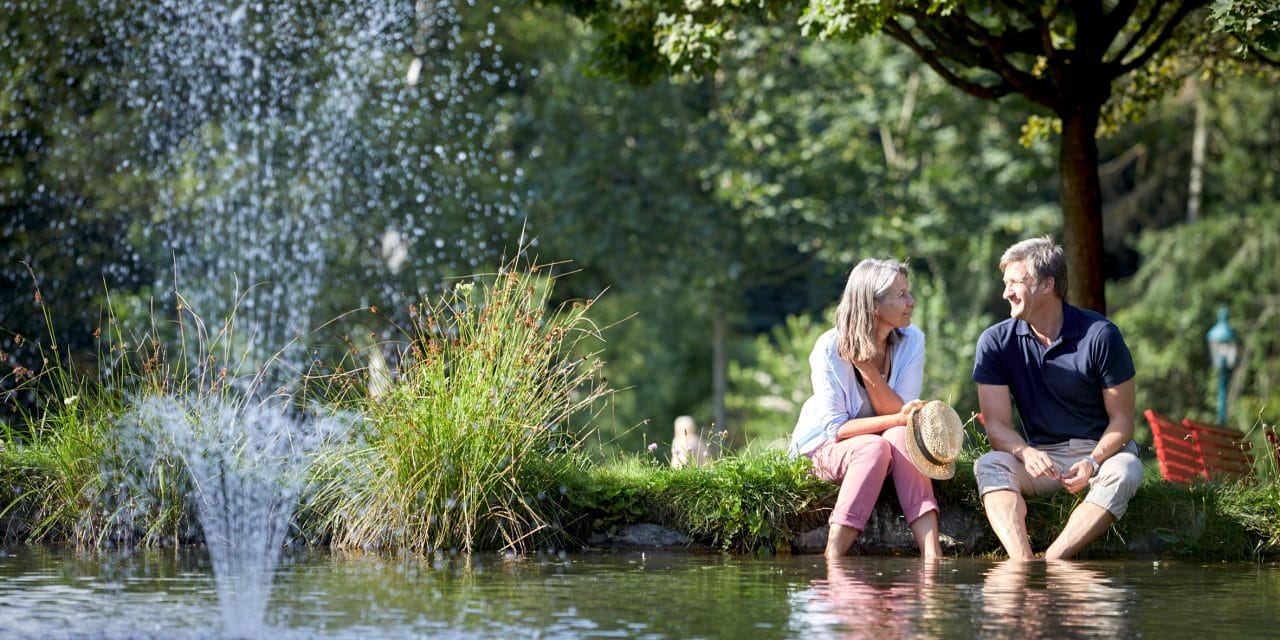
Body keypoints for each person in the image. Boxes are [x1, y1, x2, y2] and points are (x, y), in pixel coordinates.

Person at [972, 236, 1143, 560]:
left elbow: (1122, 423)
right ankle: (1021, 562)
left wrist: (1092, 462)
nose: (1006, 293)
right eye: (1005, 283)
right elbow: (996, 426)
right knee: (990, 464)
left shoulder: (1101, 335)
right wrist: (1025, 452)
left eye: (1015, 283)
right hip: (1042, 461)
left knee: (1127, 470)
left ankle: (1053, 560)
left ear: (1047, 284)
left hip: (1101, 456)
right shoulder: (995, 342)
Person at [789, 258, 942, 560]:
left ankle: (932, 554)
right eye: (901, 295)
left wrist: (867, 368)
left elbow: (901, 417)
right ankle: (833, 556)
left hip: (881, 444)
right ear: (872, 305)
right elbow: (837, 429)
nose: (911, 302)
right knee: (874, 448)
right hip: (824, 447)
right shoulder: (828, 348)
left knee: (901, 436)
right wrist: (859, 361)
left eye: (908, 293)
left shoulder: (912, 340)